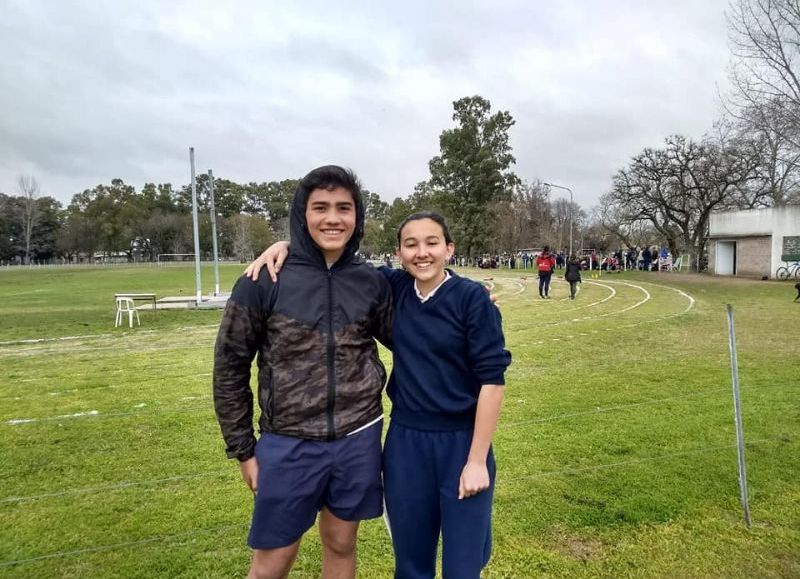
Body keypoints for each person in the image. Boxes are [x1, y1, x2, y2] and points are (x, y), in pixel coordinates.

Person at [248, 211, 512, 579]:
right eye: (411, 244)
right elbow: (336, 259)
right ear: (399, 253)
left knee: (463, 565)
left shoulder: (472, 299)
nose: (422, 253)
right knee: (410, 562)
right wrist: (288, 245)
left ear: (449, 249)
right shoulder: (395, 287)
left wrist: (476, 460)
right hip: (406, 444)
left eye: (432, 243)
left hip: (461, 444)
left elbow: (492, 382)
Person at [213, 165, 393, 579]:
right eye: (321, 207)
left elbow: (417, 322)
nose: (333, 218)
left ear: (357, 216)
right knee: (272, 561)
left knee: (342, 544)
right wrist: (242, 449)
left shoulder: (371, 281)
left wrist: (467, 298)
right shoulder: (264, 278)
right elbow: (229, 366)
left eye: (344, 208)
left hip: (357, 438)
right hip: (288, 444)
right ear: (302, 213)